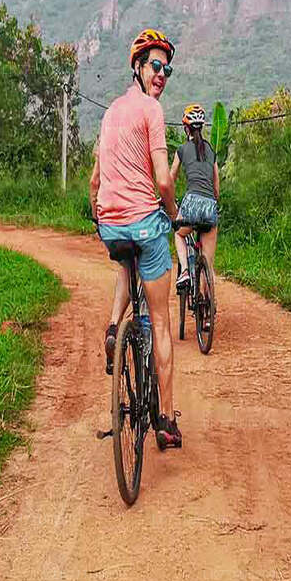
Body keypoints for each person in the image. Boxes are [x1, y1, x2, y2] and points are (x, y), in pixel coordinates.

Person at [88, 28, 183, 449]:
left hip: (111, 225)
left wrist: (99, 215)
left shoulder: (109, 114)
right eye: (156, 66)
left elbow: (94, 181)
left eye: (167, 69)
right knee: (161, 321)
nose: (161, 75)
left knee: (130, 263)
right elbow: (163, 179)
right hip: (144, 221)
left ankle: (114, 328)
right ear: (139, 68)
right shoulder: (151, 111)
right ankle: (165, 419)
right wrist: (174, 213)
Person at [172, 104, 220, 295]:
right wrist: (214, 202)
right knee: (208, 262)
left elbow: (170, 177)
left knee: (178, 233)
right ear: (202, 127)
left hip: (191, 202)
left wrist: (165, 200)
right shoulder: (211, 150)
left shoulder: (182, 149)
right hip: (210, 205)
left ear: (186, 128)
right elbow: (216, 186)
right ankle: (209, 313)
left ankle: (184, 270)